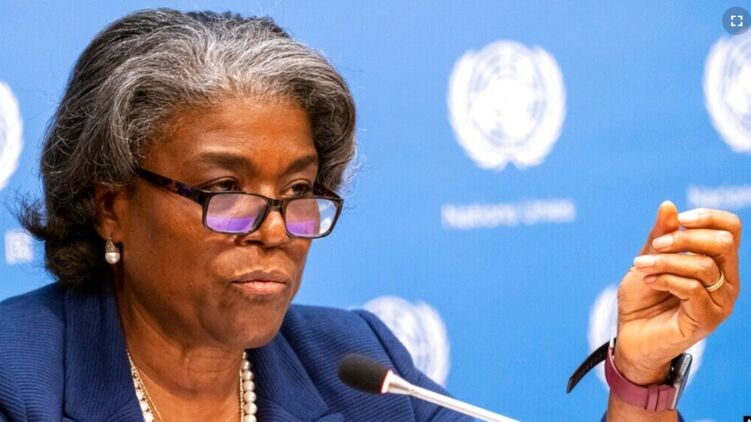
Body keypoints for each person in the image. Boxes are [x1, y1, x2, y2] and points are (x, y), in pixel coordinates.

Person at [0, 8, 740, 422]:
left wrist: (637, 375)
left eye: (298, 190)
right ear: (111, 207)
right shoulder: (17, 380)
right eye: (226, 189)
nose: (274, 230)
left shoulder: (352, 363)